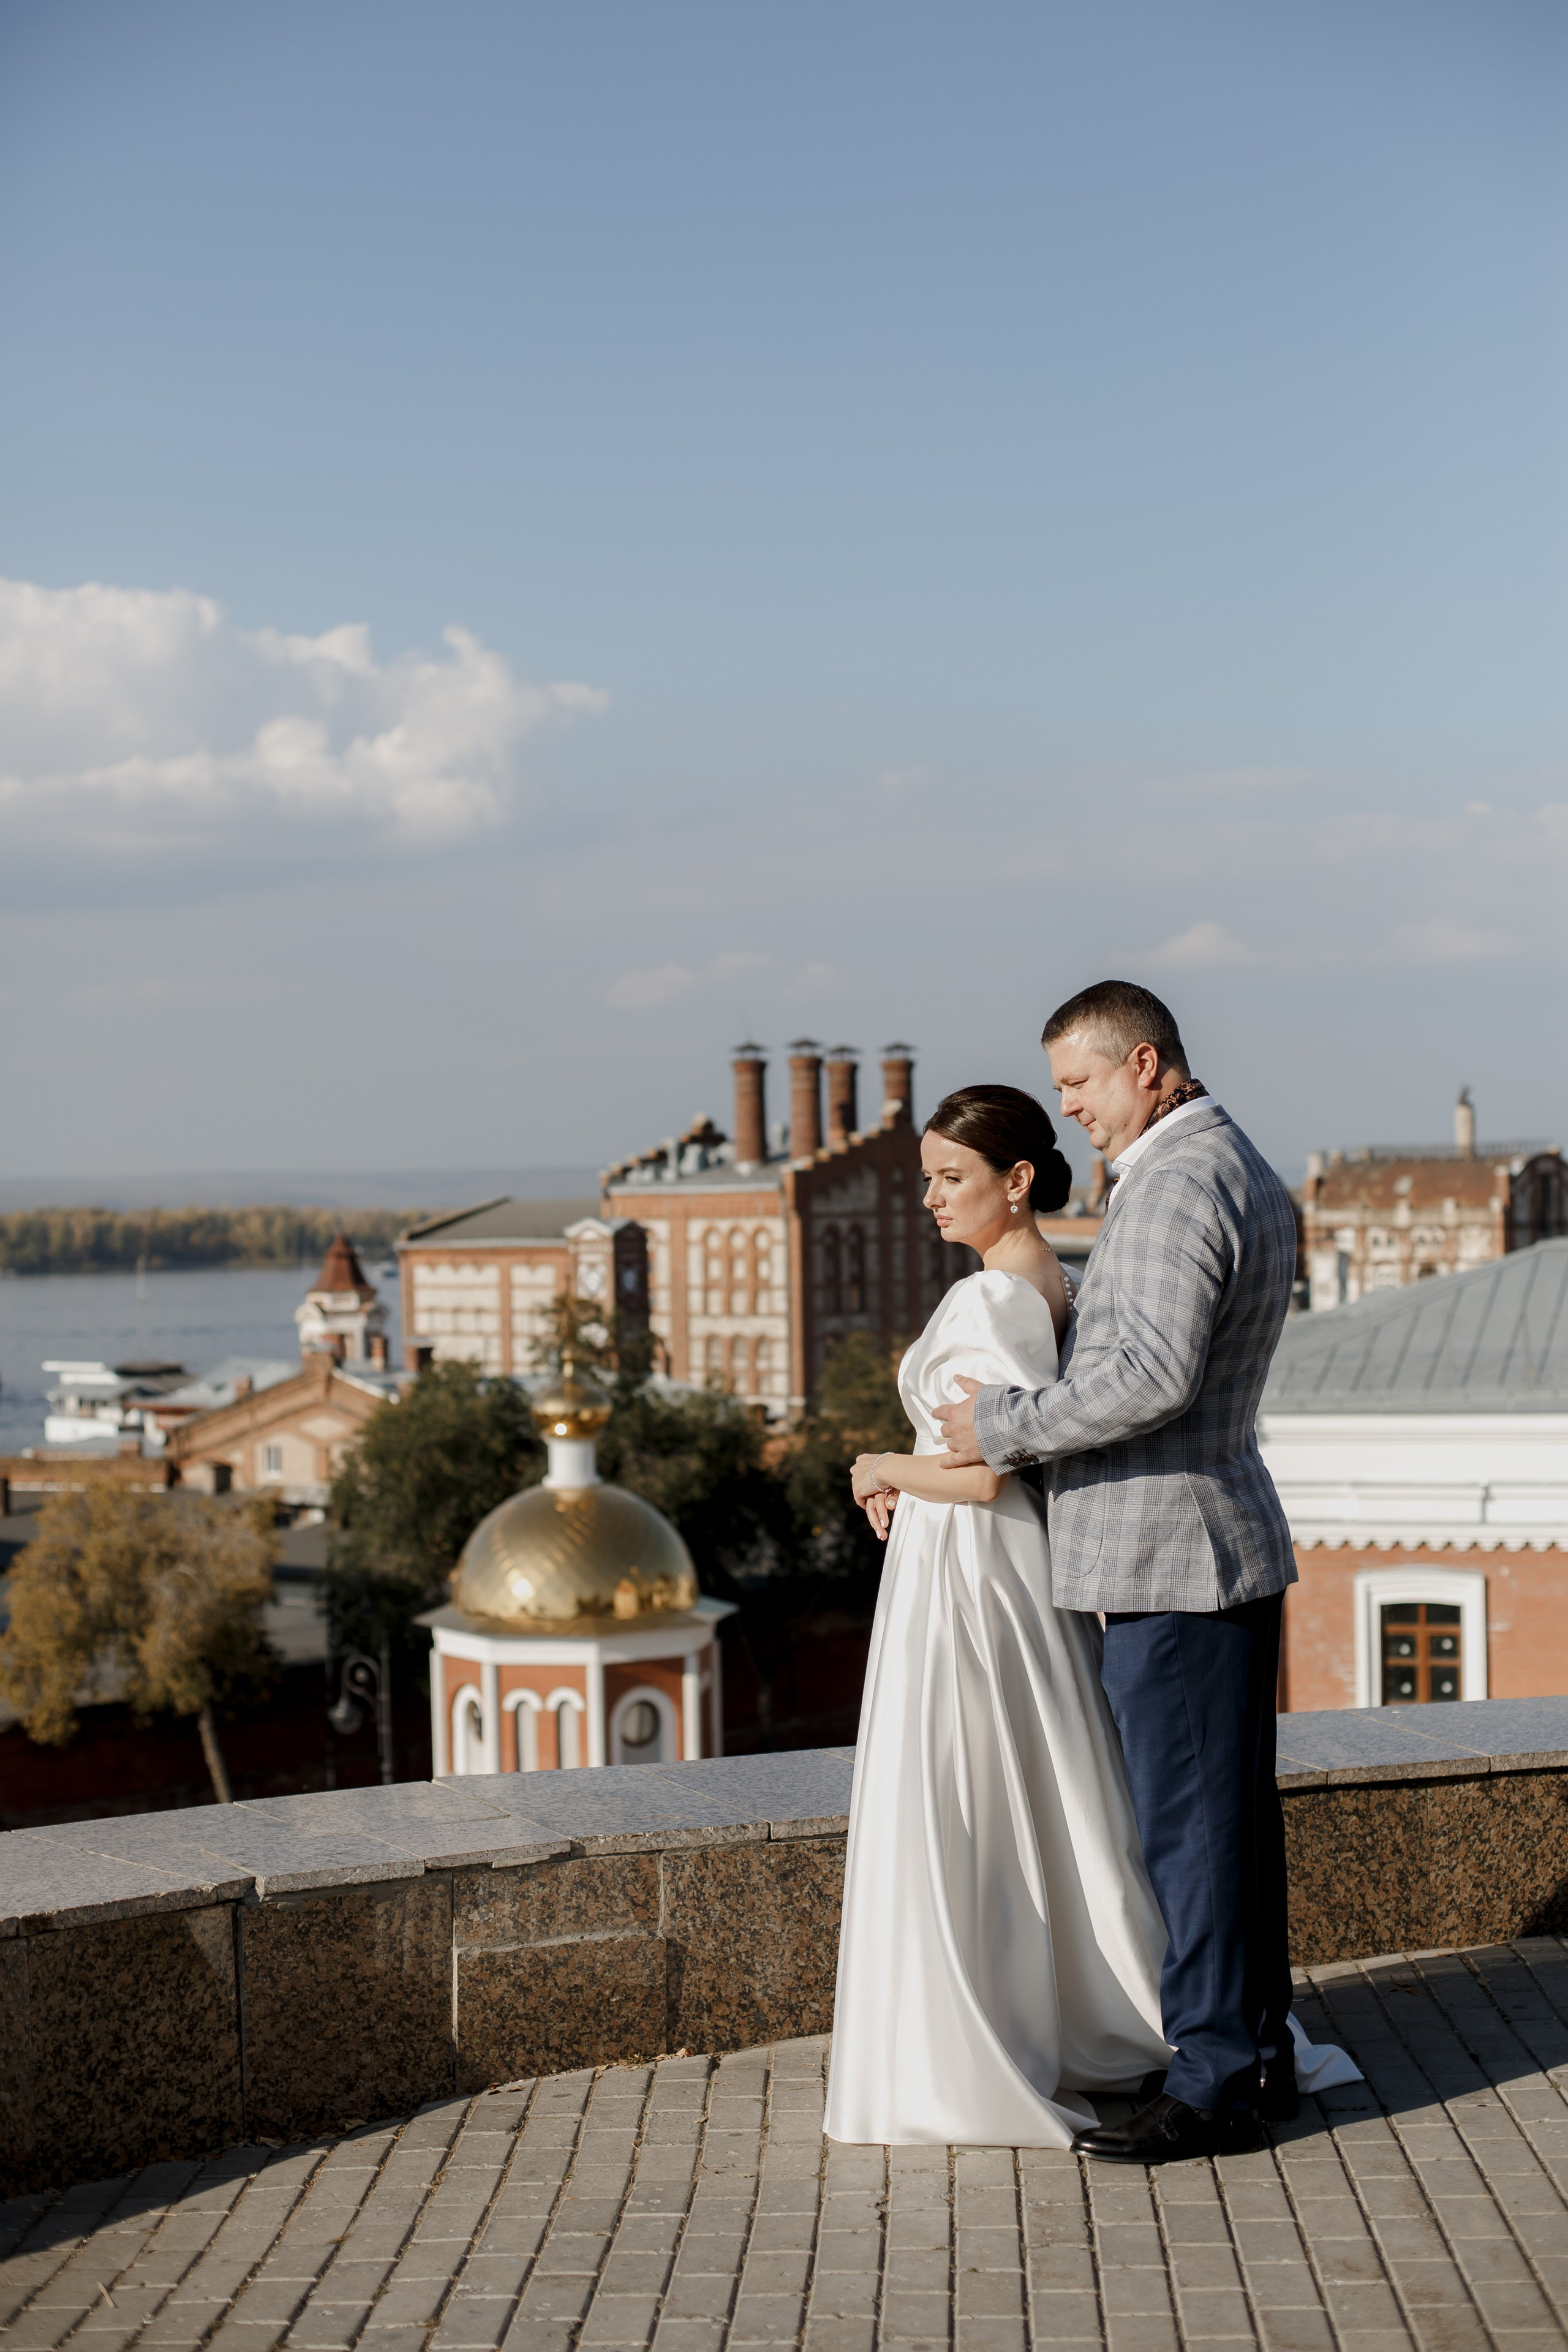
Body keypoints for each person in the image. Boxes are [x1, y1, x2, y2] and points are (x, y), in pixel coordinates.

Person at [933, 981, 1358, 2164]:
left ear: (1145, 1064)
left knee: (1191, 1835)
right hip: (1210, 1543)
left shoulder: (1177, 1179)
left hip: (1172, 1557)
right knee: (1227, 1829)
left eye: (1078, 1082)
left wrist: (1002, 1426)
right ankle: (1255, 2054)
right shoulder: (1230, 1161)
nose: (1068, 1106)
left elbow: (1153, 1377)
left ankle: (1214, 2086)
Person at [824, 1082, 1177, 2148]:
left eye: (952, 1178)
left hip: (968, 1575)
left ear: (1016, 1180)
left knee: (966, 1789)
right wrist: (912, 1470)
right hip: (1009, 1571)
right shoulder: (1055, 1281)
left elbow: (984, 1475)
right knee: (1039, 1781)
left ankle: (974, 2036)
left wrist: (879, 1464)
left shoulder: (992, 1298)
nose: (932, 1198)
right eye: (927, 1178)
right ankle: (1078, 2012)